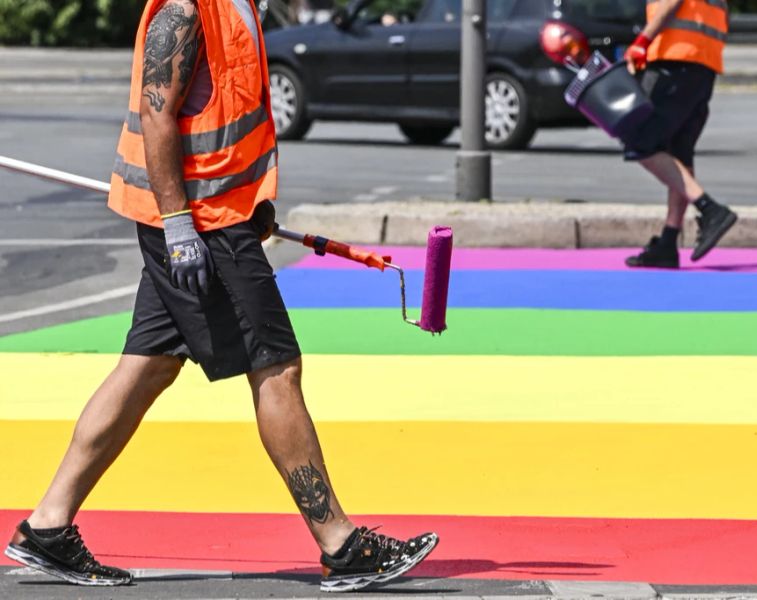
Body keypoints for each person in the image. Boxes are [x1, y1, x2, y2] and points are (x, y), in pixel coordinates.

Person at [3, 0, 437, 592]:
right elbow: (158, 120)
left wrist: (250, 200)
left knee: (147, 366)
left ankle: (47, 527)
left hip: (220, 213)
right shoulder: (184, 11)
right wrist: (181, 226)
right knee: (277, 369)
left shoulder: (240, 7)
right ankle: (341, 543)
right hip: (197, 226)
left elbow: (228, 118)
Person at [619, 0, 738, 269]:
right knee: (679, 152)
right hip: (704, 63)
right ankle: (669, 242)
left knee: (640, 142)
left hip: (673, 58)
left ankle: (710, 209)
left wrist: (643, 40)